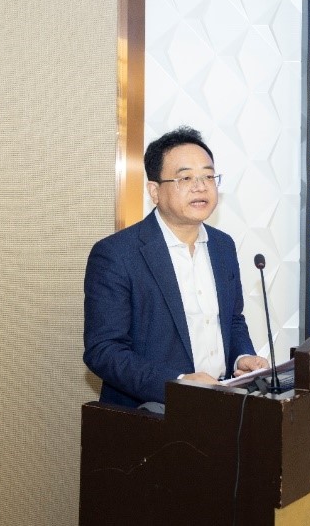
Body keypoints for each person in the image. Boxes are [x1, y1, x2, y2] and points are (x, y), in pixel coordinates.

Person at [83, 126, 270, 408]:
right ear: (154, 191)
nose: (201, 186)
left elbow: (232, 320)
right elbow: (104, 351)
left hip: (222, 405)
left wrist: (241, 358)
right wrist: (178, 384)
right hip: (150, 413)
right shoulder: (116, 254)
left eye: (208, 176)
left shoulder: (223, 246)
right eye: (185, 178)